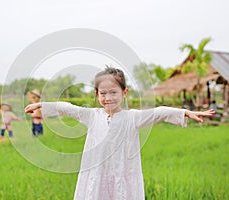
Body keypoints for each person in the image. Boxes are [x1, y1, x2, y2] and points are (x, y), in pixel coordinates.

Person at [24, 67, 214, 200]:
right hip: (96, 174)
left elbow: (160, 112)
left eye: (113, 92)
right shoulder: (91, 116)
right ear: (97, 94)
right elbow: (68, 108)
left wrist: (185, 112)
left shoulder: (133, 118)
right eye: (103, 93)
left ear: (124, 92)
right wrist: (42, 105)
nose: (108, 98)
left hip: (123, 174)